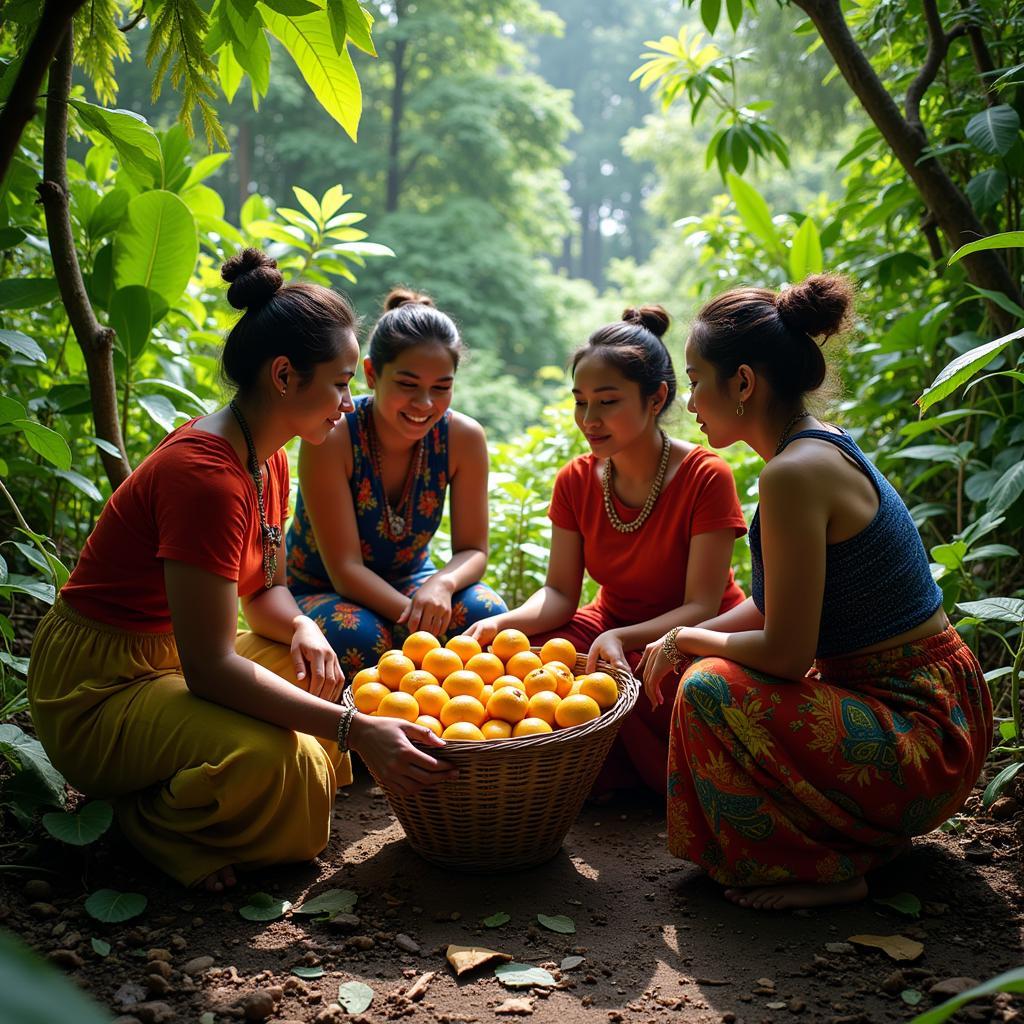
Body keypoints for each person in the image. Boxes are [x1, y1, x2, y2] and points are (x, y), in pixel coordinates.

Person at [27, 250, 454, 892]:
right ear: (284, 375)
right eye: (339, 383)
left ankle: (202, 797)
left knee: (322, 679)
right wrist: (357, 730)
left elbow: (266, 595)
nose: (349, 400)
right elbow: (211, 668)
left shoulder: (268, 455)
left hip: (169, 660)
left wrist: (304, 630)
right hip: (99, 688)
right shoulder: (206, 478)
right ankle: (146, 823)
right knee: (287, 758)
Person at [639, 274, 993, 910]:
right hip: (937, 710)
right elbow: (775, 610)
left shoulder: (794, 475)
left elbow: (783, 650)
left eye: (694, 381)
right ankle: (857, 836)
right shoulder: (812, 451)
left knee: (708, 688)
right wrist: (680, 636)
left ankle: (826, 866)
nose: (689, 403)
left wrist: (688, 637)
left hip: (924, 737)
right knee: (708, 667)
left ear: (743, 383)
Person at [465, 307, 747, 794]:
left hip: (692, 637)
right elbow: (558, 593)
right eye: (580, 403)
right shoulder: (575, 480)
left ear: (656, 397)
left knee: (658, 685)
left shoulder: (705, 475)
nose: (589, 420)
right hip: (608, 627)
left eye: (607, 402)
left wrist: (624, 639)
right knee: (528, 660)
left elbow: (701, 606)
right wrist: (503, 622)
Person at [287, 288, 505, 673]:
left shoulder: (463, 438)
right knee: (362, 638)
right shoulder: (333, 436)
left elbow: (473, 550)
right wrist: (417, 622)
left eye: (442, 388)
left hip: (413, 580)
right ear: (371, 374)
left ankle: (456, 735)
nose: (425, 404)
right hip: (322, 587)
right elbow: (345, 571)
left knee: (485, 615)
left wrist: (440, 585)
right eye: (408, 384)